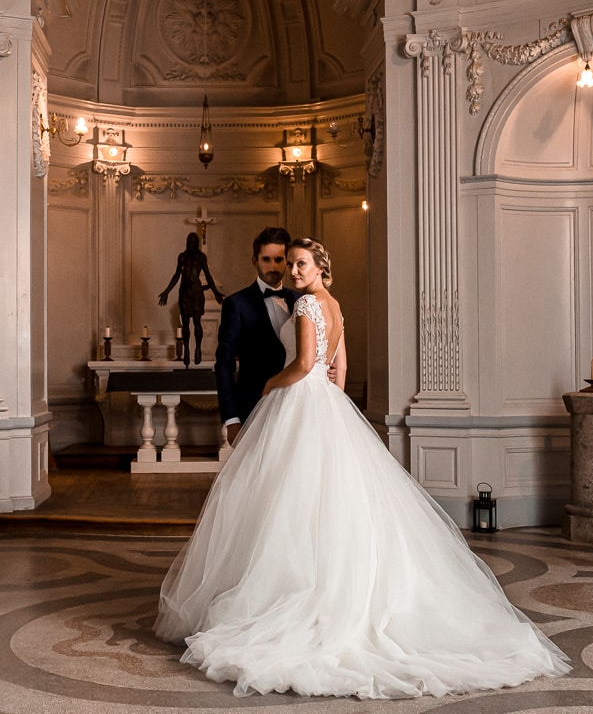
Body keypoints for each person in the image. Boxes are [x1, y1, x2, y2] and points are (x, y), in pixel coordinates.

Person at [155, 237, 570, 699]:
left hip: (298, 402)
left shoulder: (310, 303)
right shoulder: (335, 305)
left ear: (319, 267)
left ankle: (295, 594)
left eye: (301, 264)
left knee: (288, 502)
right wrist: (321, 388)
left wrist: (273, 383)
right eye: (290, 264)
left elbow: (306, 363)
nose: (293, 271)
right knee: (325, 502)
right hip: (328, 405)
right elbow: (340, 370)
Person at [212, 227, 297, 445]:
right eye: (266, 259)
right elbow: (224, 364)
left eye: (279, 260)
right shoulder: (236, 304)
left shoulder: (302, 301)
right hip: (254, 405)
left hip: (297, 406)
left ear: (287, 261)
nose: (273, 266)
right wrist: (231, 419)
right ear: (254, 260)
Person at [158, 232, 224, 366]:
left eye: (194, 242)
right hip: (184, 292)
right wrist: (166, 291)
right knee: (186, 323)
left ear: (197, 243)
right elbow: (177, 275)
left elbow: (208, 276)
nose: (191, 244)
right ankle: (187, 349)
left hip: (196, 293)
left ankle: (198, 348)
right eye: (189, 241)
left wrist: (216, 292)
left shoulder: (201, 257)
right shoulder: (182, 257)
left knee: (197, 321)